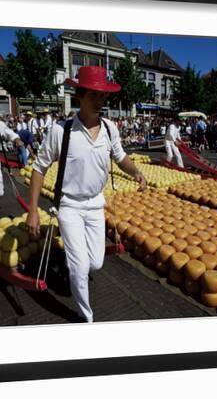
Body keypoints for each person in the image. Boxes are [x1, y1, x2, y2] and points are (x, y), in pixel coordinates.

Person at [26, 66, 147, 323]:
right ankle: (86, 317)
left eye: (103, 96)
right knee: (81, 268)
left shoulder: (110, 129)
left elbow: (121, 156)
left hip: (95, 204)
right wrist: (33, 210)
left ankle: (74, 268)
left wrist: (135, 171)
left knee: (96, 263)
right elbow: (38, 168)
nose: (100, 102)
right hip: (69, 206)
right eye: (94, 95)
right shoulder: (62, 131)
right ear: (79, 95)